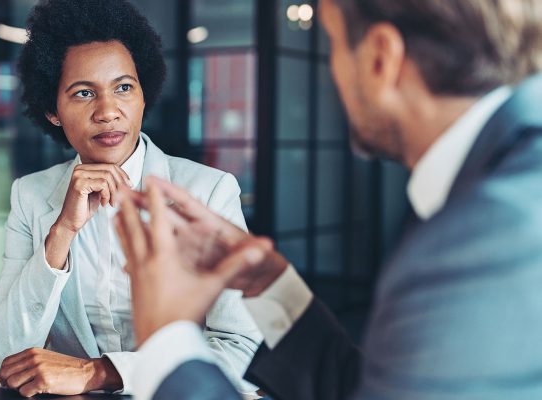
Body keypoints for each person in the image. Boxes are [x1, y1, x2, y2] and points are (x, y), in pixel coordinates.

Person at [114, 0, 542, 399]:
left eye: (334, 43)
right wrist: (269, 286)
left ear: (380, 59)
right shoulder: (498, 184)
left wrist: (166, 339)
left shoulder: (493, 233)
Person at [0, 0, 262, 397]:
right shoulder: (31, 195)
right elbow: (2, 353)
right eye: (83, 93)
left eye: (124, 88)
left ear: (144, 95)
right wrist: (61, 232)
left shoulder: (208, 191)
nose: (108, 111)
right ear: (52, 110)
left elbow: (243, 349)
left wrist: (100, 372)